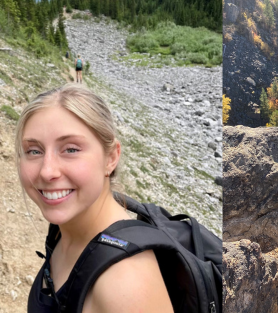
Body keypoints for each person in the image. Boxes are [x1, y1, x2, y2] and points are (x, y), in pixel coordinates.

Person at [15, 84, 173, 313]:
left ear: (111, 158)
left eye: (70, 149)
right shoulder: (67, 226)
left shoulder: (126, 285)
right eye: (34, 151)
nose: (47, 171)